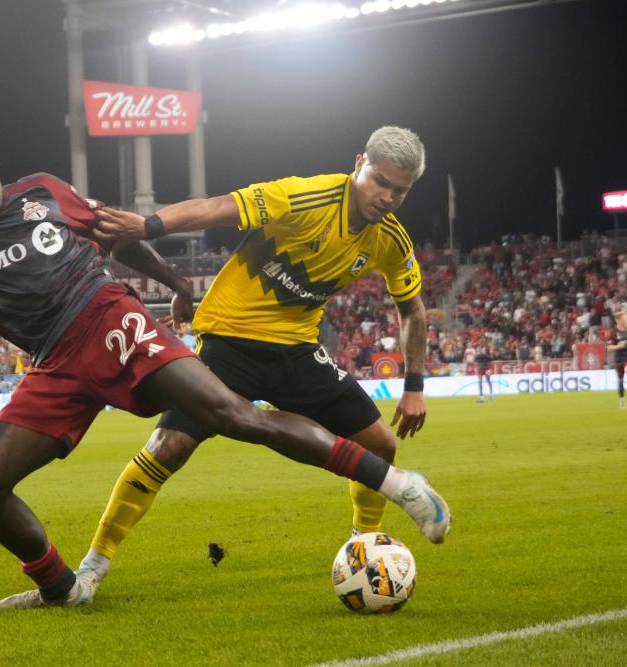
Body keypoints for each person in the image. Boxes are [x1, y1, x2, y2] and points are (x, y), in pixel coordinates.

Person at [0, 124, 449, 611]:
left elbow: (115, 237)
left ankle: (397, 483)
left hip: (107, 316)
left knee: (231, 414)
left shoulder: (43, 191)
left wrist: (174, 282)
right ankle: (63, 586)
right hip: (53, 362)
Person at [76, 126, 439, 595]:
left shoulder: (391, 240)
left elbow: (412, 308)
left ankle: (363, 549)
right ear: (358, 165)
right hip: (228, 342)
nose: (387, 196)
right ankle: (91, 568)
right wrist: (147, 226)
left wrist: (414, 385)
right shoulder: (304, 198)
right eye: (380, 181)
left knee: (381, 445)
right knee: (168, 447)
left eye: (400, 190)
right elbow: (215, 208)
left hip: (296, 351)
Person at [607, 310, 627, 409]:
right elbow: (609, 347)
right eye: (624, 317)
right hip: (619, 358)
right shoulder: (613, 332)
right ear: (618, 320)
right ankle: (622, 399)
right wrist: (619, 346)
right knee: (620, 380)